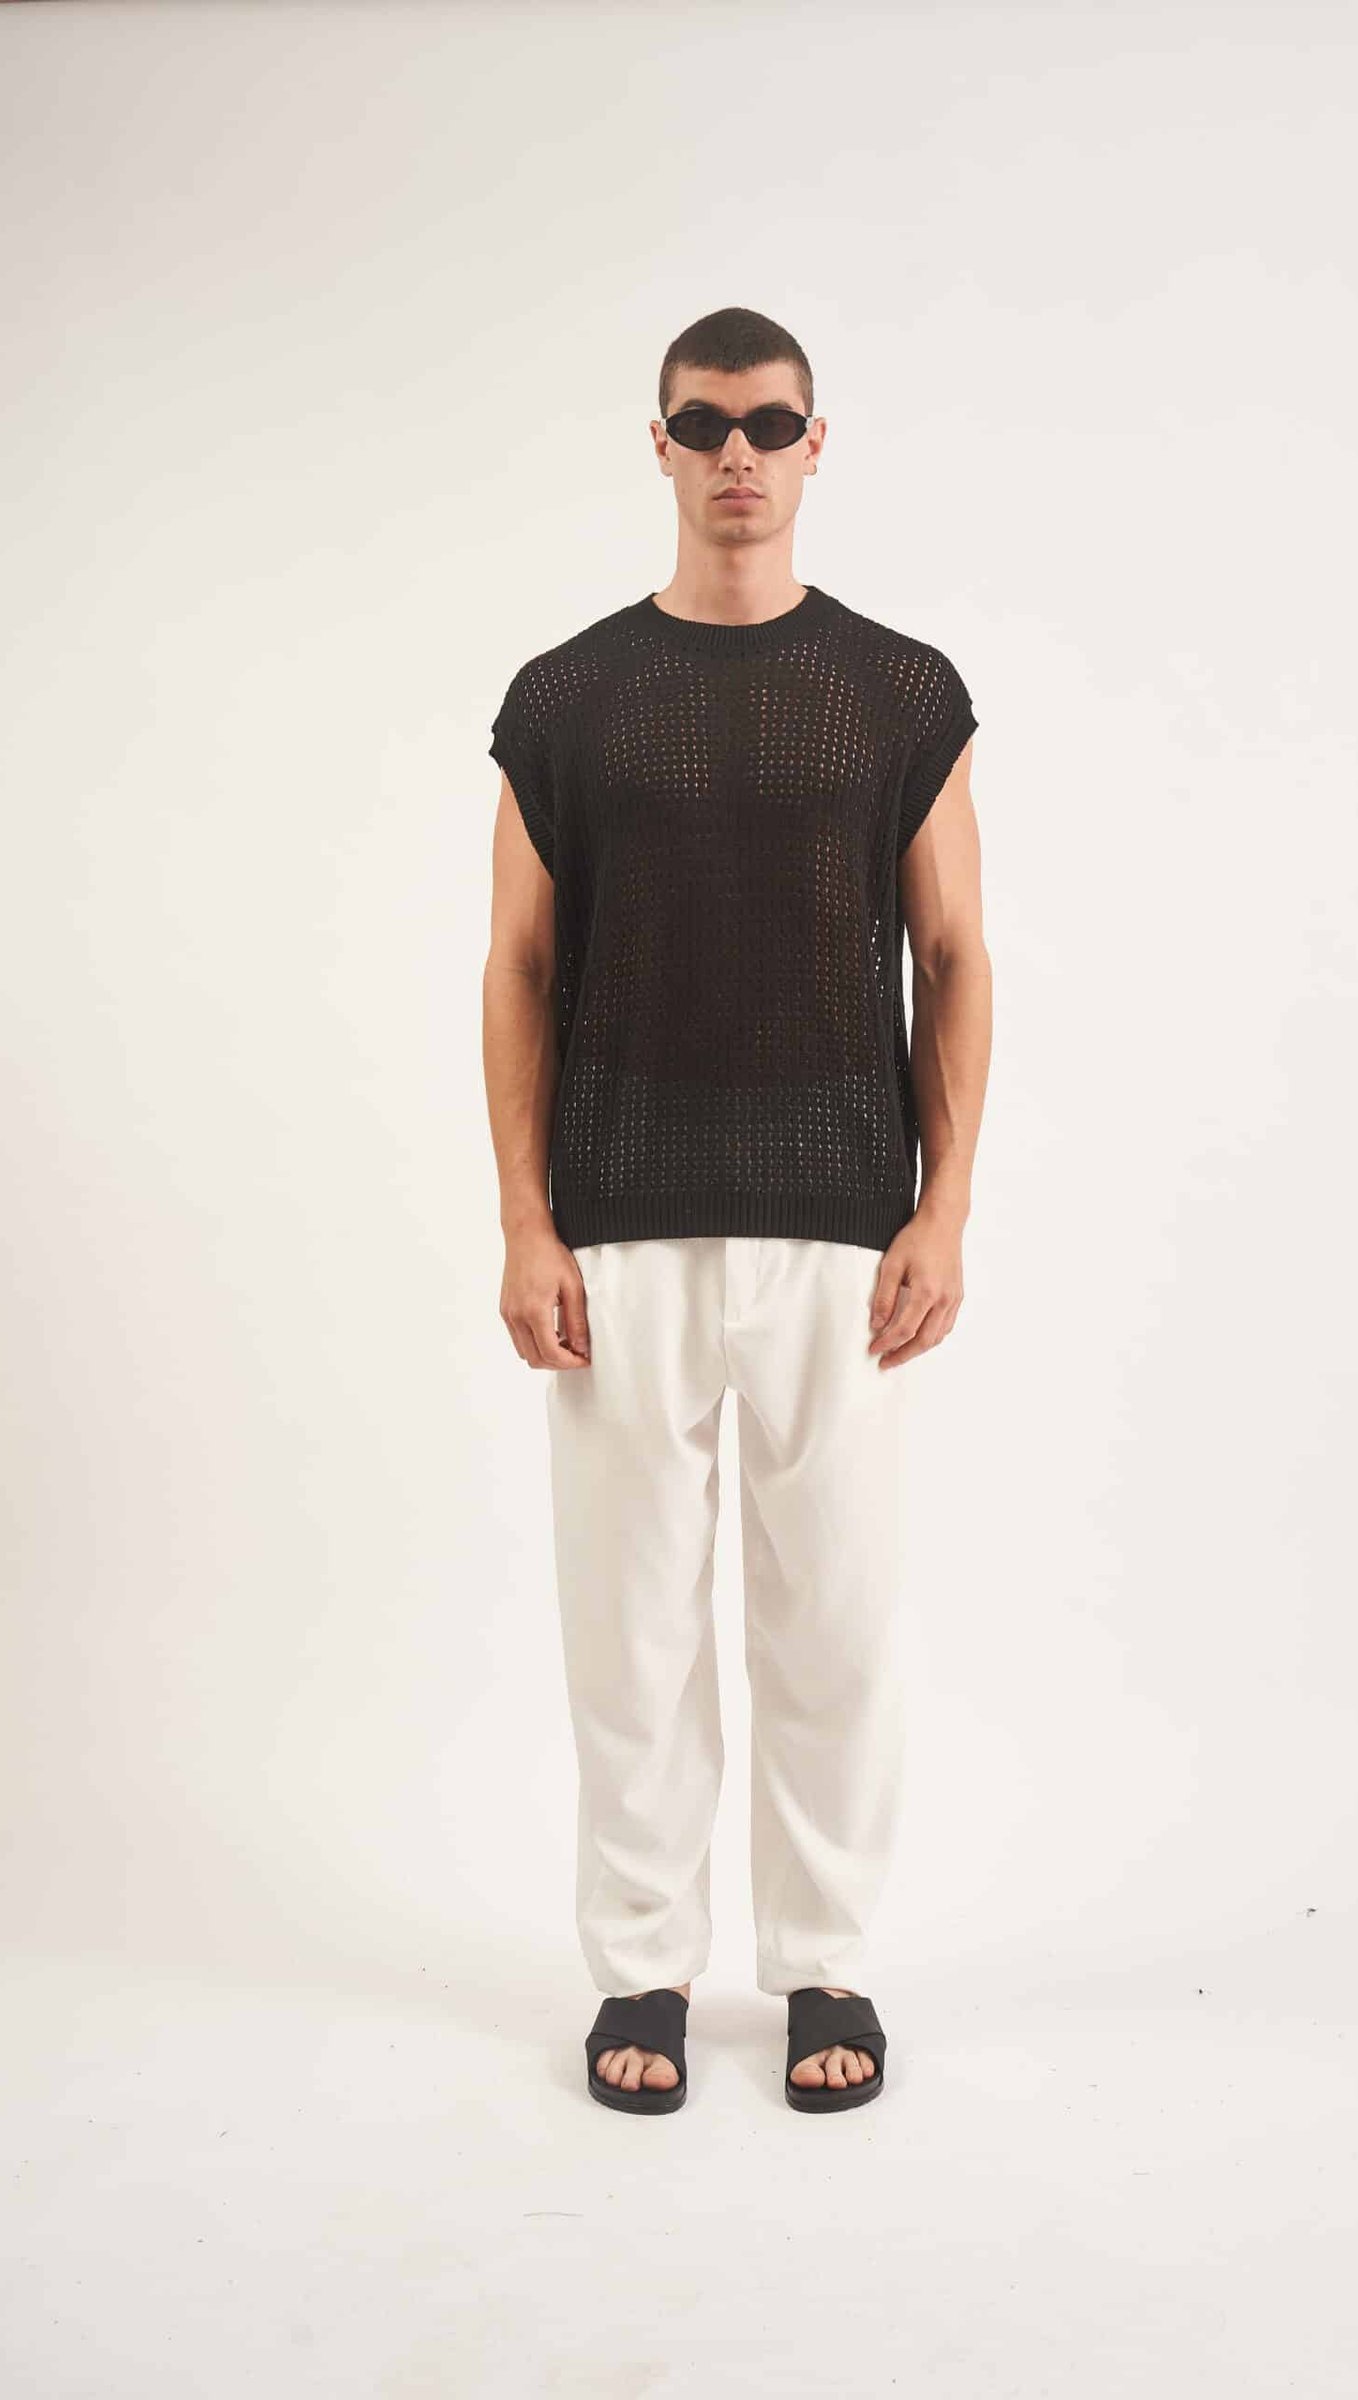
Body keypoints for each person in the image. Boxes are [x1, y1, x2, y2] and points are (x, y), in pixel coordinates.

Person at [481, 306, 991, 2114]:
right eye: (704, 425)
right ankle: (642, 1968)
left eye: (769, 424)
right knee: (628, 1631)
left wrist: (942, 1210)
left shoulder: (899, 691)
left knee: (832, 1620)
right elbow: (519, 964)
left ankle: (826, 1961)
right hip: (618, 1222)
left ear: (816, 441)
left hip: (839, 1224)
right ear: (661, 443)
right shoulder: (568, 698)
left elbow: (954, 951)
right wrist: (526, 1222)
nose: (738, 457)